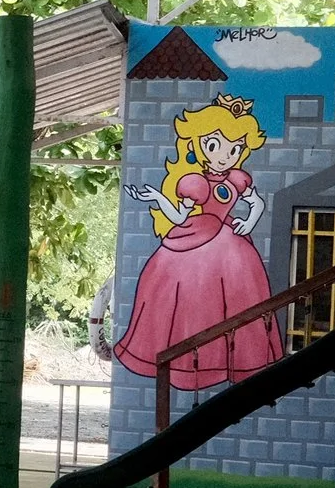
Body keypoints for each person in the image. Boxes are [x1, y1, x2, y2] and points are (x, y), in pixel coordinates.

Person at [115, 94, 283, 390]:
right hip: (192, 240)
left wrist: (249, 222)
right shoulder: (195, 182)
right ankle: (187, 363)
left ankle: (235, 360)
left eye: (235, 148)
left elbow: (256, 203)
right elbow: (180, 218)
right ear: (199, 144)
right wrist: (157, 198)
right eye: (214, 145)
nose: (224, 154)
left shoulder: (236, 179)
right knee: (185, 301)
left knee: (235, 301)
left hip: (231, 246)